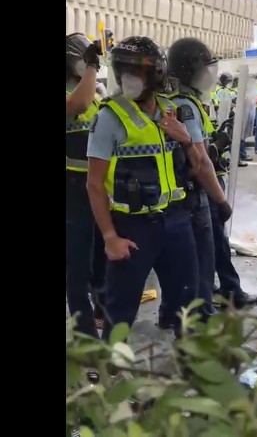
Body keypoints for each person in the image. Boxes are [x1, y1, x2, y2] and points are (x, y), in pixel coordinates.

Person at [86, 35, 200, 341]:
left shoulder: (170, 112)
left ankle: (193, 362)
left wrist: (185, 137)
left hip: (176, 221)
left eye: (137, 71)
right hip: (132, 229)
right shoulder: (109, 118)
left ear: (157, 74)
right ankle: (110, 369)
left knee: (188, 301)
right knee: (120, 309)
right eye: (124, 71)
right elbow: (94, 184)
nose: (129, 79)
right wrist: (110, 238)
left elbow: (199, 166)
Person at [158, 37, 234, 324]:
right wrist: (221, 200)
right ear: (190, 70)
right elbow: (200, 162)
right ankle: (200, 327)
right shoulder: (185, 106)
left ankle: (169, 314)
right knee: (200, 267)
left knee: (177, 267)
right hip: (193, 198)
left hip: (177, 196)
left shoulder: (173, 101)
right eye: (205, 69)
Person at [65, 33, 106, 338]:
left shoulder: (94, 93)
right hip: (72, 191)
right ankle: (86, 336)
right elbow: (76, 103)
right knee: (78, 269)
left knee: (100, 259)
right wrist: (92, 67)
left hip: (96, 189)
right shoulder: (78, 94)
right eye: (82, 59)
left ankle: (101, 314)